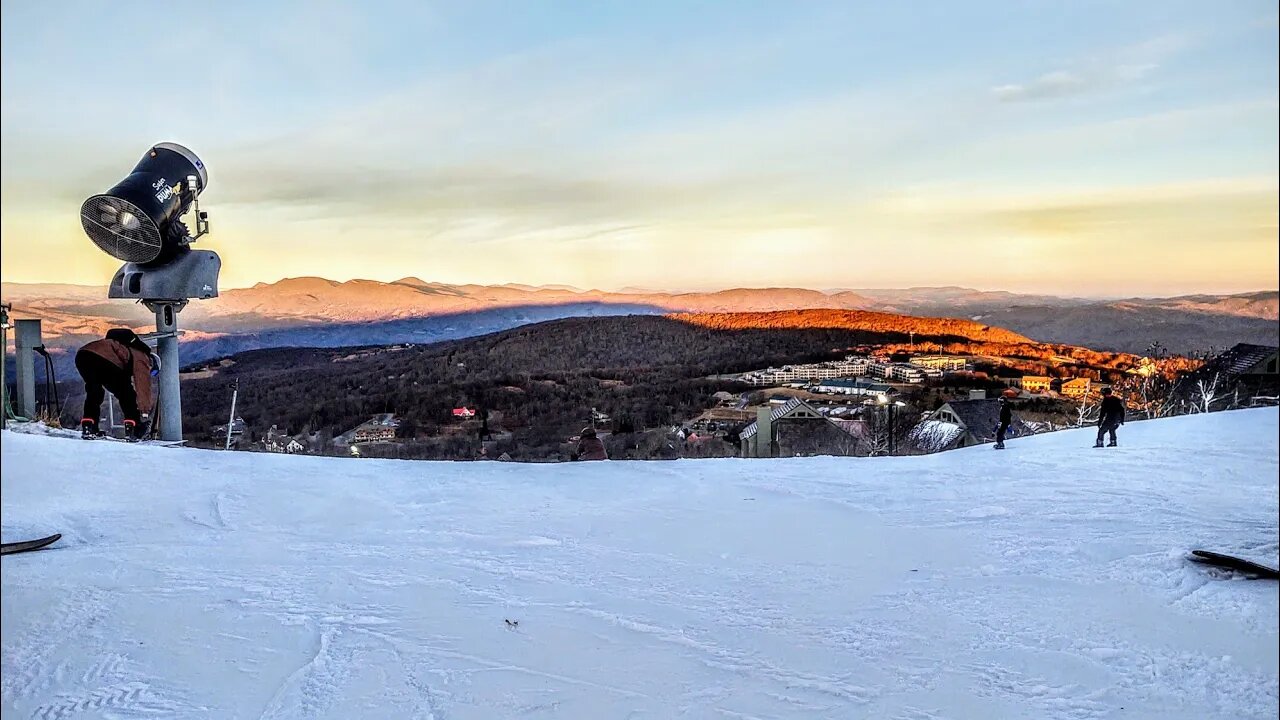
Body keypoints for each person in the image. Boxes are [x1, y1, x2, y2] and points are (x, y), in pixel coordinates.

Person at [75, 328, 158, 441]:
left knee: (95, 391)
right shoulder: (142, 356)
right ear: (152, 363)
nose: (151, 373)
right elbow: (143, 385)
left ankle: (89, 426)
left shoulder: (121, 346)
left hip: (83, 356)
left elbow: (114, 383)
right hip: (104, 359)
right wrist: (145, 410)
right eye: (153, 371)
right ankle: (133, 430)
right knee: (127, 395)